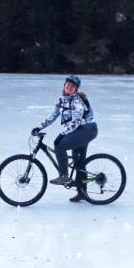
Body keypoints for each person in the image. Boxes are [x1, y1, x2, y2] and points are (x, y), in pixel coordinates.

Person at [32, 74, 98, 202]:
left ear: (76, 89)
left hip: (86, 129)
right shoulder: (62, 101)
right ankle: (82, 192)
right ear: (64, 85)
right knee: (79, 162)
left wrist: (64, 133)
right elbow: (52, 116)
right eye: (67, 84)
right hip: (82, 130)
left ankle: (64, 176)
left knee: (59, 145)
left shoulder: (76, 101)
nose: (69, 87)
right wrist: (39, 127)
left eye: (72, 86)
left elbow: (77, 121)